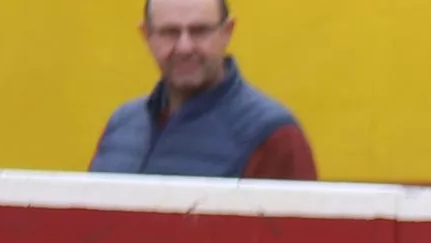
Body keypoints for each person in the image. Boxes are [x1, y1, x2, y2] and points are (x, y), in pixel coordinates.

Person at [89, 0, 317, 181]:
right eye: (170, 32)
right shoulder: (121, 125)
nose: (185, 47)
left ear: (227, 32)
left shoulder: (272, 135)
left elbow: (297, 237)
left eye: (199, 31)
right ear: (147, 36)